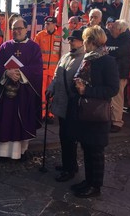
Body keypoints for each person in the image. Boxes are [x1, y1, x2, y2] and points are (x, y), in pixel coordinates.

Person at [72, 25, 119, 198]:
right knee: (87, 148)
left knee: (96, 151)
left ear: (92, 42)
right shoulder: (88, 59)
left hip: (98, 114)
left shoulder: (107, 61)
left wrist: (87, 91)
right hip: (85, 111)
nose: (83, 43)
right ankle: (88, 181)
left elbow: (112, 89)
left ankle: (95, 186)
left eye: (85, 40)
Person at [0, 18, 43, 160]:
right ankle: (1, 151)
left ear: (26, 29)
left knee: (21, 121)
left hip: (24, 92)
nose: (17, 31)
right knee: (5, 118)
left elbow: (37, 69)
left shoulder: (33, 47)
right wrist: (7, 72)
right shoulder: (5, 46)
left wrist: (19, 73)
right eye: (14, 28)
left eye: (20, 28)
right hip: (6, 92)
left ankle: (19, 152)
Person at [46, 30, 85, 182]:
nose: (71, 42)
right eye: (70, 40)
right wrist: (51, 88)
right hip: (62, 103)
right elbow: (57, 76)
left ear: (82, 42)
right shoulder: (65, 57)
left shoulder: (84, 59)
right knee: (63, 136)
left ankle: (70, 168)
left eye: (74, 40)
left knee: (70, 137)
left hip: (73, 106)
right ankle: (67, 164)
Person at [106, 20, 130, 132]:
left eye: (113, 28)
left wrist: (108, 50)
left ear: (120, 29)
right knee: (111, 98)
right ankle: (110, 119)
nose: (111, 29)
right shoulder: (113, 38)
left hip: (120, 72)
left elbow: (118, 52)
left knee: (117, 98)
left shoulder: (128, 39)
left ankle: (117, 122)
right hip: (112, 71)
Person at [34, 16, 61, 123]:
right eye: (46, 23)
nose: (47, 25)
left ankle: (50, 114)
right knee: (42, 94)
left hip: (54, 71)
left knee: (52, 94)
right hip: (43, 71)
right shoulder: (40, 36)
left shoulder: (60, 36)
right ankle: (42, 114)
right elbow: (34, 52)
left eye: (49, 24)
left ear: (55, 25)